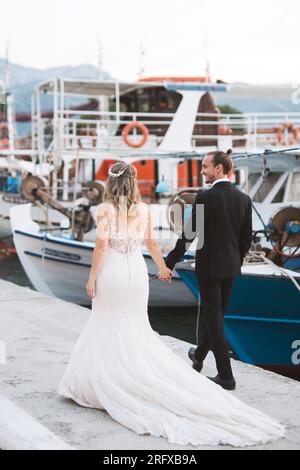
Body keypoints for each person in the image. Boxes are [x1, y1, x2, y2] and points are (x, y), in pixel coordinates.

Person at [58, 162, 284, 448]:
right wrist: (164, 268)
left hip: (115, 271)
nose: (203, 171)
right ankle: (200, 367)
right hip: (139, 273)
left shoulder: (106, 209)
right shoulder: (143, 210)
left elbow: (102, 246)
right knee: (136, 324)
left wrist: (91, 278)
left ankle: (117, 376)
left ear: (111, 184)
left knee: (108, 320)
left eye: (205, 167)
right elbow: (152, 243)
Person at [165, 150, 252, 391]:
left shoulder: (206, 197)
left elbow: (190, 234)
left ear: (219, 169)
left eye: (205, 166)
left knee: (214, 319)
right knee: (217, 315)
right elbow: (247, 238)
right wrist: (236, 259)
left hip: (210, 267)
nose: (202, 171)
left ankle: (226, 376)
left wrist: (168, 263)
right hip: (231, 267)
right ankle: (199, 355)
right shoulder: (244, 198)